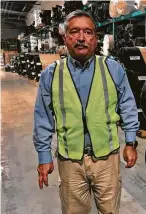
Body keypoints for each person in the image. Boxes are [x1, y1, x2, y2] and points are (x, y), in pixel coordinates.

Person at [33, 10, 139, 214]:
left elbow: (128, 106)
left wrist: (131, 142)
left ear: (95, 38)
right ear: (65, 37)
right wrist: (44, 156)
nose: (81, 38)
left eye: (88, 32)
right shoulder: (51, 74)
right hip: (70, 161)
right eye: (75, 31)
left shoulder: (112, 68)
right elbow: (42, 119)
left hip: (107, 159)